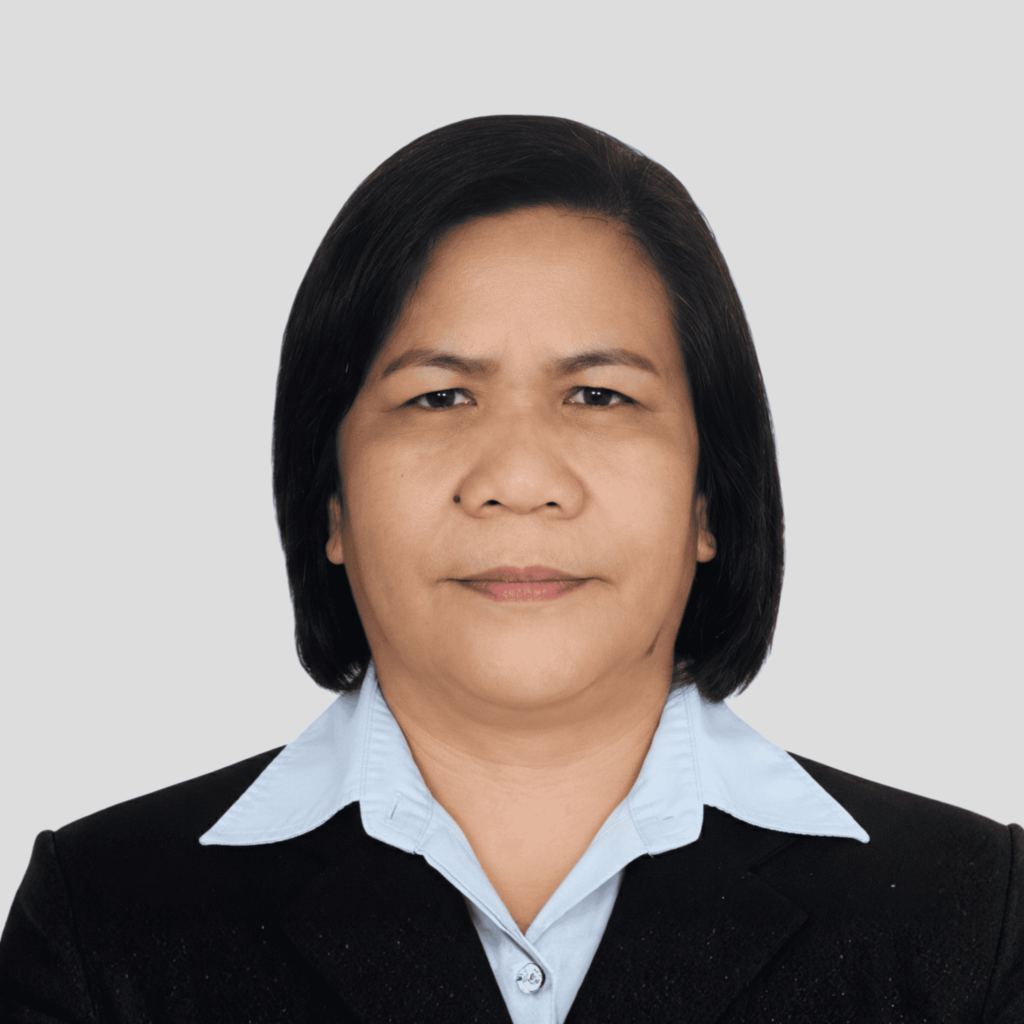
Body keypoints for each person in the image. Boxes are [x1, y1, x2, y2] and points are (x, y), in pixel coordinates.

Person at [0, 114, 1020, 1023]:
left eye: (600, 396)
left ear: (709, 498)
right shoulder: (107, 919)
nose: (520, 481)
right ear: (331, 502)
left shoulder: (969, 921)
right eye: (438, 397)